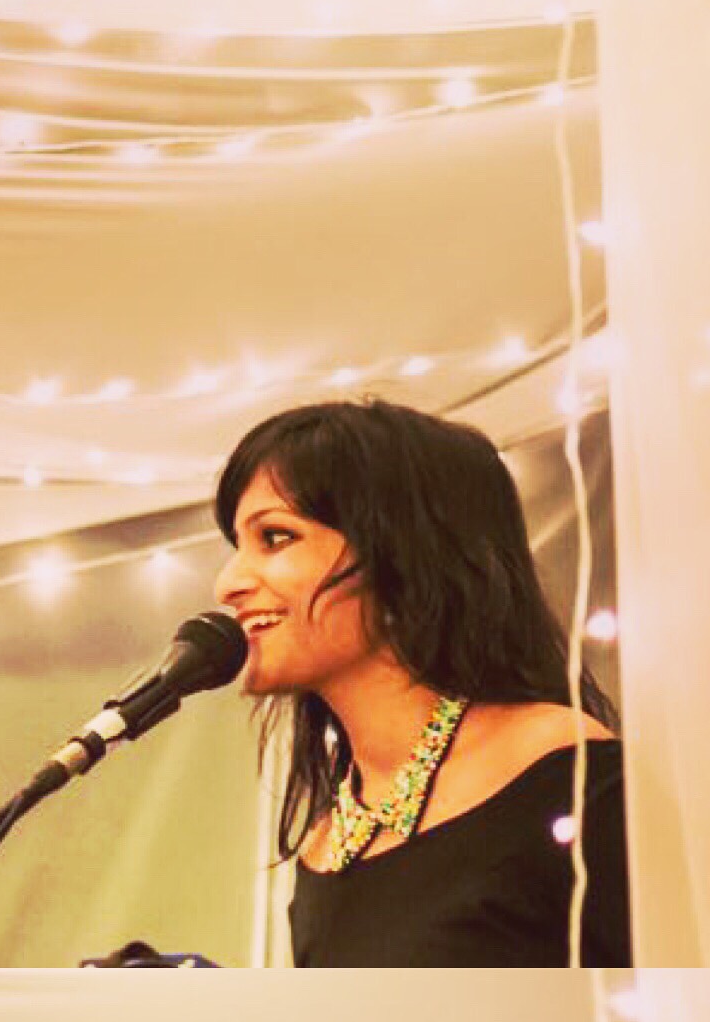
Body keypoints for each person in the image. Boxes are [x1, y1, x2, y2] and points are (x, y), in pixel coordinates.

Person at [211, 399, 631, 967]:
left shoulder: (565, 774)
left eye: (276, 537)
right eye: (238, 545)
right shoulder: (327, 844)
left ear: (402, 552)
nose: (229, 584)